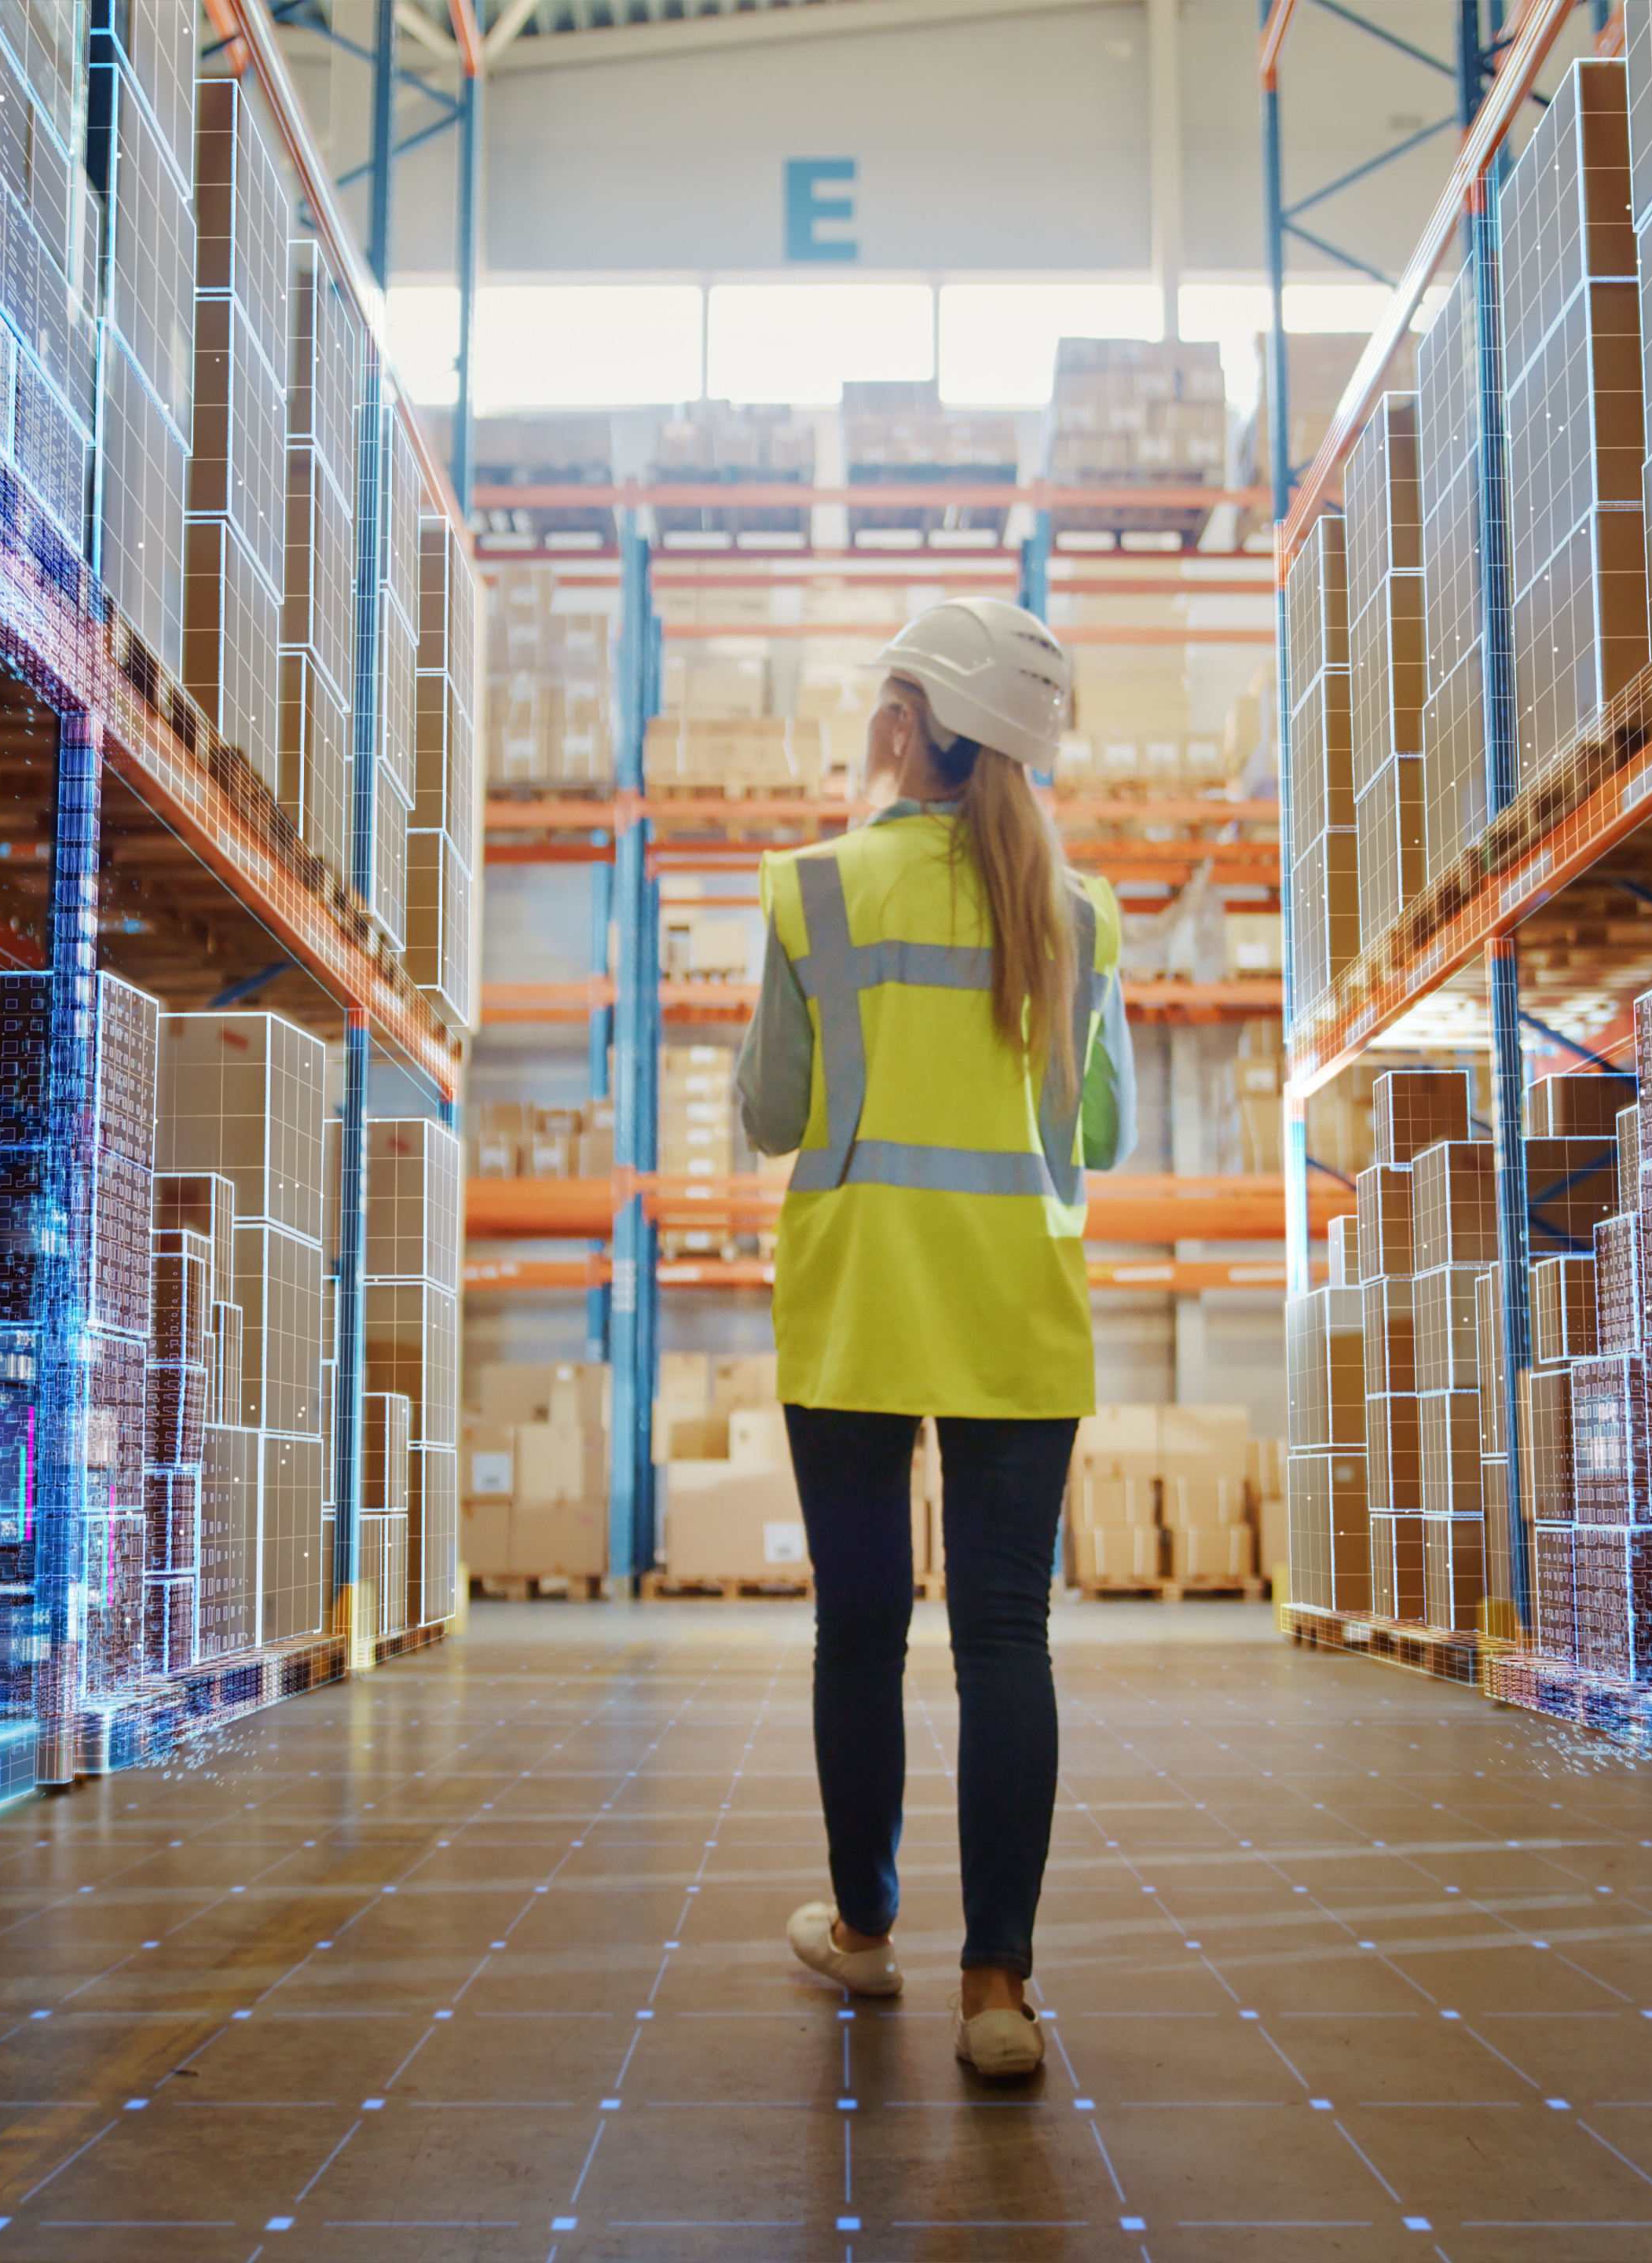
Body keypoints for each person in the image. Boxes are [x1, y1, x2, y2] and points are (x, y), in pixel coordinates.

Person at [732, 596, 1130, 2081]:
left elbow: (775, 1114)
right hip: (1018, 1317)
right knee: (1005, 1641)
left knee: (860, 1632)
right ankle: (999, 1996)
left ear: (910, 722)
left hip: (853, 1311)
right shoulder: (1077, 917)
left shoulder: (815, 892)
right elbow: (1102, 1128)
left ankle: (865, 1929)